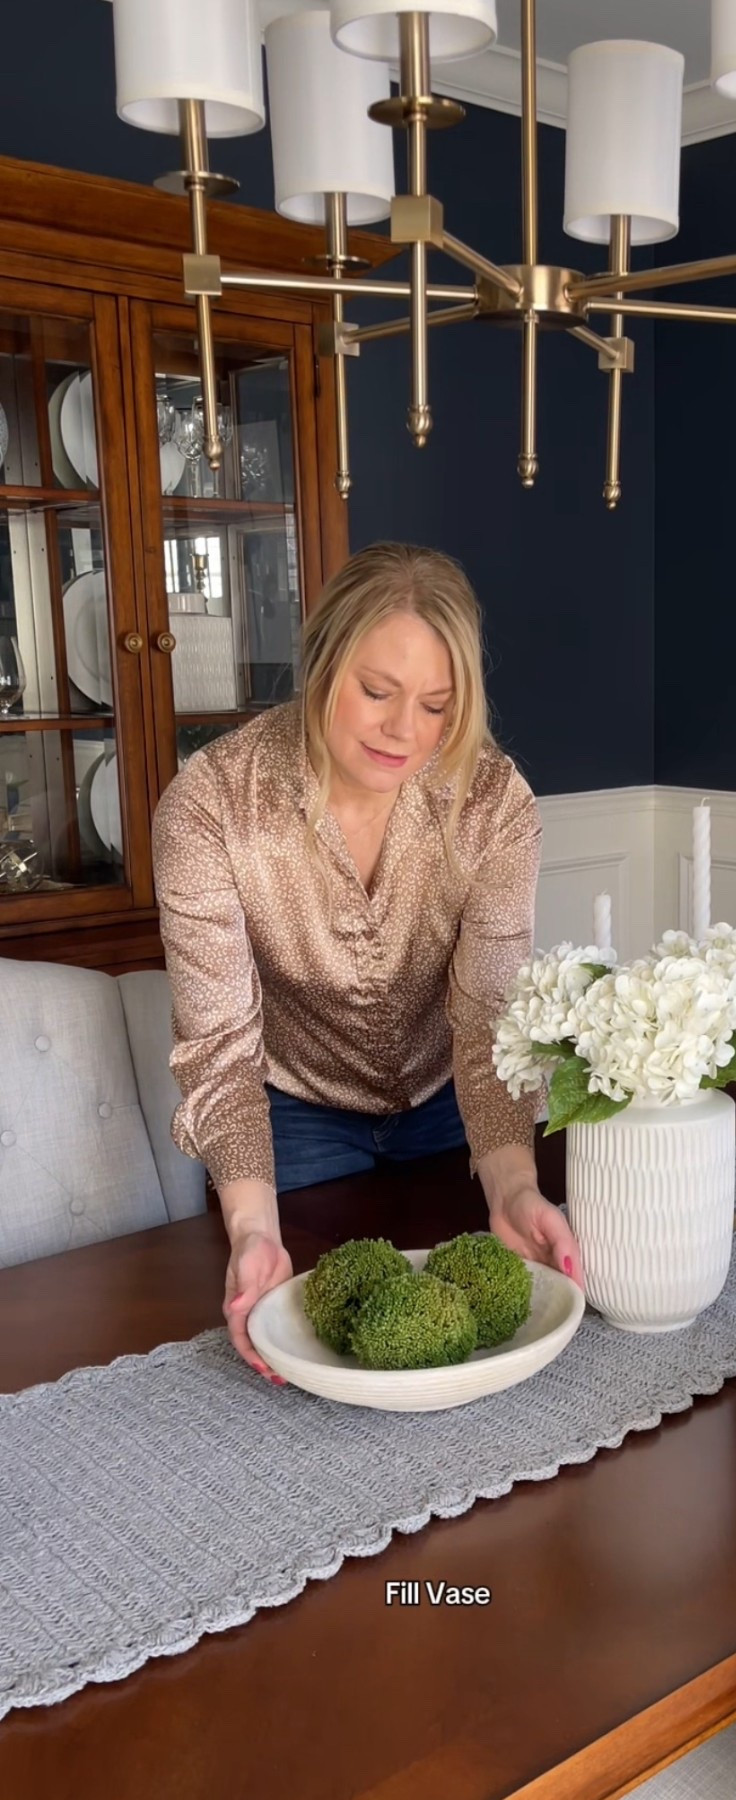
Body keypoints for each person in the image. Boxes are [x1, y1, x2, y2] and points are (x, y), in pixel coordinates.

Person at [152, 541, 580, 1379]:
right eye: (377, 692)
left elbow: (490, 1019)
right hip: (296, 1118)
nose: (404, 732)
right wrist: (251, 1234)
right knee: (313, 1344)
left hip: (454, 1103)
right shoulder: (210, 806)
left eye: (437, 706)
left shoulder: (494, 804)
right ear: (321, 663)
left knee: (472, 1341)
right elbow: (219, 1049)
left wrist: (515, 1190)